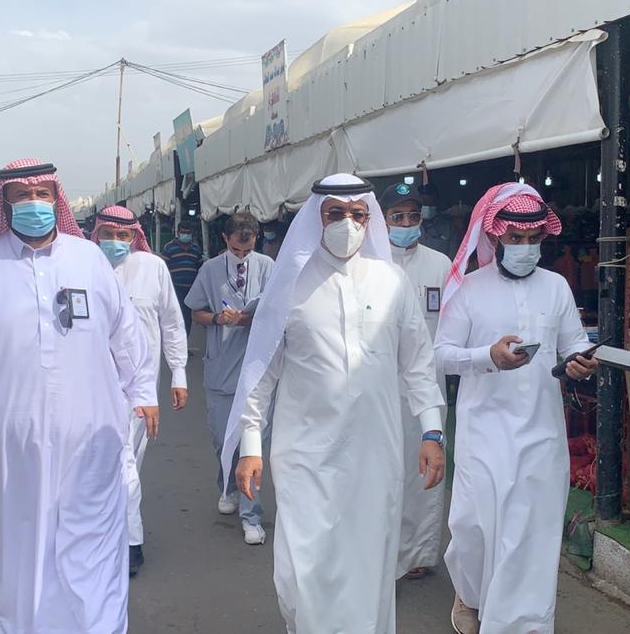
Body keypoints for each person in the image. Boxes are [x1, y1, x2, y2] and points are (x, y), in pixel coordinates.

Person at [0, 158, 157, 633]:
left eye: (42, 194)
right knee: (19, 541)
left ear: (56, 199)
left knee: (92, 536)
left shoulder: (87, 258)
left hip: (89, 431)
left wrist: (144, 389)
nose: (34, 203)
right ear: (6, 204)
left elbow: (126, 333)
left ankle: (97, 625)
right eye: (22, 196)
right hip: (7, 439)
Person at [225, 174, 447, 634]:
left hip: (376, 453)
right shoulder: (290, 286)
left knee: (369, 566)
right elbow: (261, 373)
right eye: (336, 214)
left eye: (358, 214)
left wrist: (432, 431)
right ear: (317, 218)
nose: (349, 223)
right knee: (301, 572)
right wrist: (250, 446)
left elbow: (418, 364)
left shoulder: (392, 282)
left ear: (369, 219)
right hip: (305, 455)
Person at [434, 182, 598, 634]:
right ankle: (470, 593)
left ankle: (520, 624)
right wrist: (487, 356)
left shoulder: (556, 286)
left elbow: (574, 343)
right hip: (483, 431)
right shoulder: (468, 289)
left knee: (530, 534)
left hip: (542, 431)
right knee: (472, 528)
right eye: (515, 238)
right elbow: (441, 355)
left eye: (533, 238)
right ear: (495, 236)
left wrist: (579, 363)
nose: (525, 247)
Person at [93, 205, 188, 576]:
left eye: (123, 235)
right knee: (113, 463)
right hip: (92, 384)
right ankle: (128, 541)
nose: (115, 242)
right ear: (97, 234)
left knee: (127, 461)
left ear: (135, 236)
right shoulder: (83, 266)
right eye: (108, 234)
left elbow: (172, 323)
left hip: (139, 387)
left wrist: (179, 373)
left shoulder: (153, 268)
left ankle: (122, 537)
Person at [184, 212, 274, 546]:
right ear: (225, 239)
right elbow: (196, 311)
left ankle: (252, 517)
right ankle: (228, 485)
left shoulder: (268, 267)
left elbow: (279, 311)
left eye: (248, 248)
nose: (242, 254)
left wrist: (249, 318)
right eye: (236, 248)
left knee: (253, 445)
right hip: (221, 367)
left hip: (257, 368)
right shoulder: (209, 270)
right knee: (224, 440)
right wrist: (218, 319)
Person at [380, 183, 453, 582]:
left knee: (424, 469)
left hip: (428, 386)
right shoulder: (371, 264)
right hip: (381, 386)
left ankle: (420, 552)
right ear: (383, 220)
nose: (406, 223)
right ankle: (382, 551)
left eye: (412, 216)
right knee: (386, 471)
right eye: (398, 216)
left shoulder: (441, 265)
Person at [160, 220, 203, 333]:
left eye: (188, 232)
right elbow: (163, 267)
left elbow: (200, 268)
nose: (186, 235)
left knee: (187, 317)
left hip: (190, 289)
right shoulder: (169, 247)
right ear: (178, 232)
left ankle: (185, 339)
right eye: (183, 232)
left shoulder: (196, 249)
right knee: (175, 314)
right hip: (175, 288)